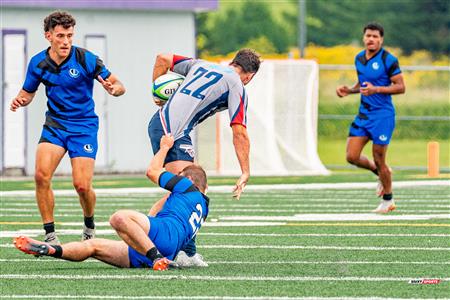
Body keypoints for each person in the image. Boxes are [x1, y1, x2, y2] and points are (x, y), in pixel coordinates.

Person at [9, 11, 126, 244]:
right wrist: (19, 99)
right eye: (60, 36)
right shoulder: (38, 63)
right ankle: (50, 235)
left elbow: (119, 84)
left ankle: (89, 224)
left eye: (70, 36)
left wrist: (114, 90)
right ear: (48, 36)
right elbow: (28, 93)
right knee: (41, 176)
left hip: (83, 126)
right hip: (55, 125)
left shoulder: (86, 59)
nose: (65, 41)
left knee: (82, 185)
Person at [14, 134, 209, 271]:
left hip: (162, 238)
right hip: (169, 249)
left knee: (119, 217)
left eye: (179, 176)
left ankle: (155, 257)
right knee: (93, 247)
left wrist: (165, 147)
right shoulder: (202, 208)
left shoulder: (186, 185)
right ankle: (52, 250)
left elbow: (152, 171)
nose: (176, 178)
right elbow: (187, 244)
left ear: (189, 180)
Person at [148, 48, 261, 266]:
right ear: (249, 75)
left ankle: (186, 253)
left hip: (166, 125)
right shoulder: (236, 84)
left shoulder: (201, 64)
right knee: (189, 190)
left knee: (192, 188)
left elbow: (162, 58)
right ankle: (147, 243)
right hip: (172, 132)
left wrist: (157, 96)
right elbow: (239, 131)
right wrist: (245, 170)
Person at [336, 22, 405, 213]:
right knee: (351, 156)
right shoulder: (359, 58)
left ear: (381, 39)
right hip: (364, 114)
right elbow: (363, 83)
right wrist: (349, 90)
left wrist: (377, 89)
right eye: (368, 36)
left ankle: (388, 200)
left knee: (379, 158)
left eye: (375, 36)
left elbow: (401, 87)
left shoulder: (389, 60)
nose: (371, 39)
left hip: (382, 116)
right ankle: (382, 173)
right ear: (363, 38)